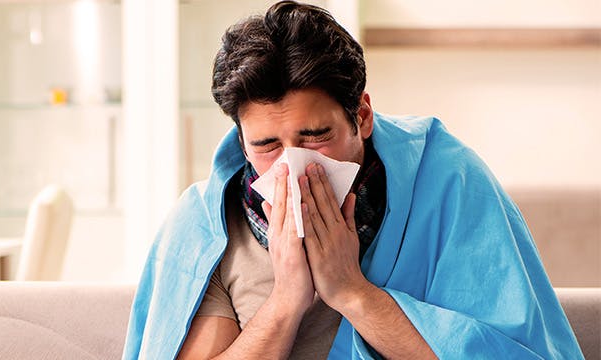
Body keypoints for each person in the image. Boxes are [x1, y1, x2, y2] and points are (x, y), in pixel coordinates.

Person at [123, 1, 583, 359]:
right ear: (241, 142)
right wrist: (287, 300)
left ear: (361, 116)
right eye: (266, 146)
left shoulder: (450, 183)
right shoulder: (209, 225)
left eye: (316, 136)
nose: (292, 166)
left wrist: (350, 290)